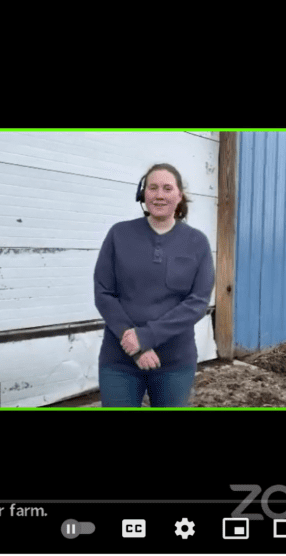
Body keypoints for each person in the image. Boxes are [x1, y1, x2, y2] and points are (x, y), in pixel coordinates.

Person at [93, 163, 215, 407]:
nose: (159, 195)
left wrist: (146, 336)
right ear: (143, 193)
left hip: (174, 363)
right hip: (120, 360)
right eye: (153, 188)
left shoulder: (197, 242)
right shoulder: (119, 234)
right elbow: (104, 293)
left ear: (179, 196)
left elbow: (198, 302)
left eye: (167, 188)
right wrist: (136, 346)